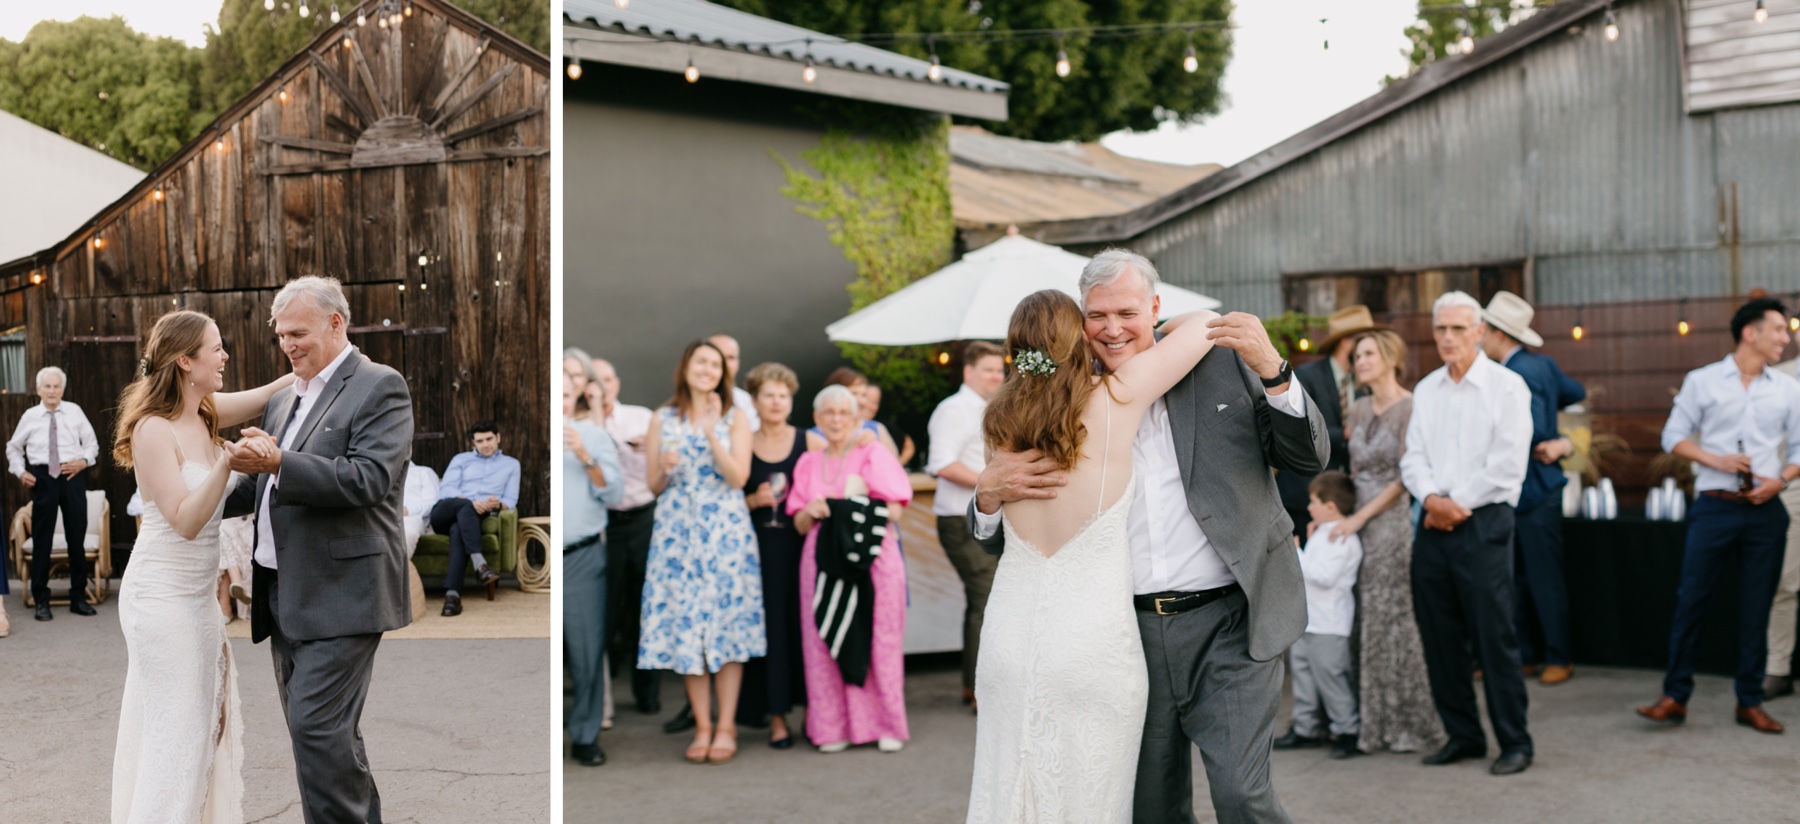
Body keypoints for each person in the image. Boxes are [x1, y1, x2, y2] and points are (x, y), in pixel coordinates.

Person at [973, 249, 1329, 823]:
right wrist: (986, 497)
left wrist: (1274, 370)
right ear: (1078, 324)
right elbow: (1007, 541)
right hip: (1122, 632)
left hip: (1230, 619)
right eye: (1098, 315)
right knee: (1152, 807)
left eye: (1128, 312)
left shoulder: (1220, 364)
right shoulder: (1056, 408)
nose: (1113, 329)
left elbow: (1307, 455)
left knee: (1242, 794)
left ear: (1156, 308)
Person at [966, 287, 1225, 821]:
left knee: (1008, 788)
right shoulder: (1116, 399)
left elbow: (992, 518)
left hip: (1008, 640)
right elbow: (1205, 323)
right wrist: (1136, 326)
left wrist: (983, 494)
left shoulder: (996, 422)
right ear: (1077, 338)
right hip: (1091, 640)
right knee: (1092, 797)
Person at [227, 275, 416, 822]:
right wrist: (197, 487)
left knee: (316, 729)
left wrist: (279, 462)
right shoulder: (286, 397)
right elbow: (260, 485)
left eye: (298, 333)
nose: (287, 345)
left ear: (337, 324)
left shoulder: (380, 385)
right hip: (286, 594)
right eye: (281, 335)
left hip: (344, 594)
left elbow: (368, 479)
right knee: (323, 738)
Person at [108, 309, 293, 822]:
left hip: (197, 601)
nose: (225, 355)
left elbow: (269, 394)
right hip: (160, 599)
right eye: (216, 347)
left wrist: (310, 369)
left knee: (207, 724)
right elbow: (186, 521)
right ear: (187, 361)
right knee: (178, 733)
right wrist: (226, 466)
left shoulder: (206, 411)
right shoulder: (153, 431)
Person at [1638, 297, 1799, 735]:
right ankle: (1675, 696)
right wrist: (1716, 460)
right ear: (1751, 333)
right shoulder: (1702, 381)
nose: (1787, 337)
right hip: (1713, 508)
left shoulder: (1788, 389)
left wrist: (1778, 481)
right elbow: (1673, 436)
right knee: (1692, 600)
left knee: (1756, 607)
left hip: (1766, 511)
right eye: (1780, 330)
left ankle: (1749, 701)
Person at [1400, 290, 1535, 776]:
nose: (1448, 337)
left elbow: (1506, 465)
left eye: (1459, 328)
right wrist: (1433, 500)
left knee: (1493, 636)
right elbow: (1412, 456)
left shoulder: (1508, 387)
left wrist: (1453, 504)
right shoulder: (1428, 389)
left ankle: (1515, 742)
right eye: (1441, 329)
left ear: (1481, 331)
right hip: (1433, 522)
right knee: (1439, 636)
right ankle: (1464, 736)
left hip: (1485, 522)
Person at [639, 339, 764, 764]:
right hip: (677, 536)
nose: (708, 369)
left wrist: (711, 432)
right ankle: (703, 725)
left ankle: (726, 725)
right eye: (700, 361)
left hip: (724, 534)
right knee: (688, 628)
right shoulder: (662, 417)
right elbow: (652, 486)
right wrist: (665, 468)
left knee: (727, 628)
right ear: (686, 367)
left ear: (722, 374)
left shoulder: (736, 416)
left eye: (715, 363)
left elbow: (738, 478)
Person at [1330, 330, 1444, 754]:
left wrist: (1361, 516)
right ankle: (1362, 717)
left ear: (1390, 358)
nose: (1359, 361)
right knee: (1360, 613)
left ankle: (1399, 721)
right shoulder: (1358, 407)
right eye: (1357, 355)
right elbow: (1354, 470)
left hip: (1390, 523)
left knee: (1388, 618)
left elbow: (1404, 478)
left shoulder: (1411, 406)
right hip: (1354, 520)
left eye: (1367, 354)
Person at [788, 384, 914, 754]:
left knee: (881, 637)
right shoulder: (808, 462)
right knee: (821, 641)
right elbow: (797, 522)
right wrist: (811, 511)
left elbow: (895, 509)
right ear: (817, 420)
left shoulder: (872, 452)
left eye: (845, 413)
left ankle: (885, 723)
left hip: (874, 557)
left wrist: (847, 508)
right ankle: (831, 727)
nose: (837, 419)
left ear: (857, 418)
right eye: (829, 413)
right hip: (821, 559)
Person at [1481, 291, 1586, 686]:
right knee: (1526, 576)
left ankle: (1553, 656)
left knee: (1532, 577)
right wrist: (1564, 439)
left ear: (1498, 334)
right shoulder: (1542, 365)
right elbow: (1575, 392)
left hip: (1532, 488)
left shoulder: (1516, 373)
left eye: (1483, 331)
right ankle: (1535, 655)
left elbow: (1536, 430)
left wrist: (1555, 439)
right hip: (1535, 489)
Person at [579, 352, 663, 716]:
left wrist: (652, 449)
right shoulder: (583, 424)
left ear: (617, 383)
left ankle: (648, 692)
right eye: (594, 381)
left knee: (646, 606)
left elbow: (667, 462)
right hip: (607, 524)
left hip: (644, 518)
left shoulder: (641, 418)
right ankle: (605, 694)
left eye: (607, 379)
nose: (602, 387)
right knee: (608, 609)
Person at [925, 340, 1007, 712]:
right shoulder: (954, 409)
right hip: (961, 518)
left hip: (977, 516)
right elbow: (941, 463)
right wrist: (993, 484)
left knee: (986, 600)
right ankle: (979, 690)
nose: (996, 376)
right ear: (968, 372)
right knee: (985, 600)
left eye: (999, 369)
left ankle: (974, 684)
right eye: (988, 369)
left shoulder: (988, 408)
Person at [736, 362, 809, 748]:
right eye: (770, 395)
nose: (777, 401)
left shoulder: (808, 441)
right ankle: (777, 718)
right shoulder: (743, 441)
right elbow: (728, 497)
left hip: (803, 548)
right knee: (771, 631)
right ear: (755, 400)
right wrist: (753, 499)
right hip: (757, 549)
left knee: (804, 629)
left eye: (784, 395)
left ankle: (815, 712)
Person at [1273, 472, 1364, 760]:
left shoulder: (1343, 539)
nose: (1308, 507)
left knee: (1330, 676)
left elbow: (1324, 577)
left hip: (1330, 623)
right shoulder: (1320, 533)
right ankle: (1305, 727)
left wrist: (1296, 553)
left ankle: (1346, 730)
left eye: (1313, 501)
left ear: (1331, 507)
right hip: (1309, 619)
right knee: (1304, 676)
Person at [564, 364, 625, 767]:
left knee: (587, 655)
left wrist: (584, 455)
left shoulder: (595, 436)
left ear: (578, 397)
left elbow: (615, 492)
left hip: (582, 557)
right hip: (539, 555)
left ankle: (585, 734)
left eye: (566, 394)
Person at [1277, 306, 1381, 539]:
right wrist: (1345, 433)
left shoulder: (1365, 382)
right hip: (1304, 495)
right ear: (1346, 342)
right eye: (1363, 340)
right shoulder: (1306, 376)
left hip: (1342, 499)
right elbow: (1298, 429)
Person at [8, 366, 101, 620]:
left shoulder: (75, 411)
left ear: (62, 388)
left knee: (76, 537)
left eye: (56, 386)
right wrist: (20, 472)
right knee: (42, 539)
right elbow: (13, 448)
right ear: (39, 389)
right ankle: (41, 600)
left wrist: (84, 461)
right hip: (42, 479)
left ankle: (78, 597)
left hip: (72, 476)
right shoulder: (30, 416)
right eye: (47, 386)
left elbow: (92, 445)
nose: (51, 391)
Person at [431, 420, 521, 616]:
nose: (485, 444)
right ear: (473, 443)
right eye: (480, 441)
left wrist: (495, 504)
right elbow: (446, 490)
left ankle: (452, 596)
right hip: (445, 513)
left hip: (474, 517)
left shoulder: (512, 465)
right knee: (464, 506)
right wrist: (471, 501)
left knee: (459, 530)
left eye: (489, 439)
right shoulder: (460, 460)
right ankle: (480, 563)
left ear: (498, 438)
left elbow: (510, 500)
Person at [709, 333, 760, 433]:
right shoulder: (680, 405)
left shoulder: (747, 403)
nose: (725, 363)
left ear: (738, 363)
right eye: (719, 356)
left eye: (731, 358)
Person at [860, 381, 915, 466]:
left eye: (875, 402)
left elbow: (908, 444)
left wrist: (897, 466)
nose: (869, 406)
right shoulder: (839, 425)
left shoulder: (880, 426)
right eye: (866, 399)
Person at [403, 461, 441, 558]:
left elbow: (433, 503)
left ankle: (394, 572)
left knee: (405, 533)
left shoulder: (424, 472)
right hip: (384, 516)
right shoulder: (380, 474)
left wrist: (407, 510)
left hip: (411, 518)